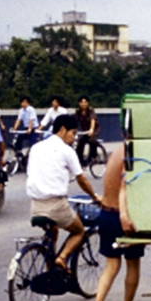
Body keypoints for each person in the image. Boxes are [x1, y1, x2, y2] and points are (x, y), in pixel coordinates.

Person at [26, 114, 101, 274]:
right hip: (56, 205)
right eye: (73, 133)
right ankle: (62, 257)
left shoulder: (35, 148)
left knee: (53, 231)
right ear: (62, 129)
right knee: (79, 231)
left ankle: (50, 269)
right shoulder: (67, 151)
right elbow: (81, 180)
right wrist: (94, 196)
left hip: (35, 206)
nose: (73, 138)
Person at [89, 141, 145, 301]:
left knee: (111, 265)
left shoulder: (115, 153)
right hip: (124, 216)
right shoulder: (135, 152)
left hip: (106, 213)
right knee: (133, 263)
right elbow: (125, 184)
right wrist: (125, 215)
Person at [73, 95, 98, 164]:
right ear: (79, 103)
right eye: (82, 102)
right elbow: (75, 122)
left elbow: (93, 120)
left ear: (87, 103)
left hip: (93, 129)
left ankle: (93, 157)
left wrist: (91, 129)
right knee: (80, 144)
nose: (83, 104)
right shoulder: (78, 112)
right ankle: (80, 160)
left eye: (85, 102)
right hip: (84, 130)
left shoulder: (91, 110)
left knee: (92, 140)